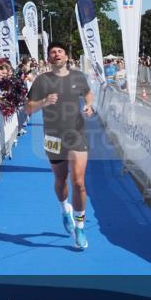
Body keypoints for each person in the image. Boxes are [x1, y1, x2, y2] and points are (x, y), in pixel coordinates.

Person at [26, 42, 95, 250]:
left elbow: (88, 94)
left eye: (60, 51)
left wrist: (90, 105)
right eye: (52, 52)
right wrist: (43, 102)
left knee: (79, 182)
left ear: (66, 56)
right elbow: (28, 109)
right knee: (60, 178)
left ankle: (80, 227)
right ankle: (64, 209)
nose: (56, 54)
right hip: (53, 137)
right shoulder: (41, 80)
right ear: (48, 58)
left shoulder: (78, 77)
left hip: (76, 135)